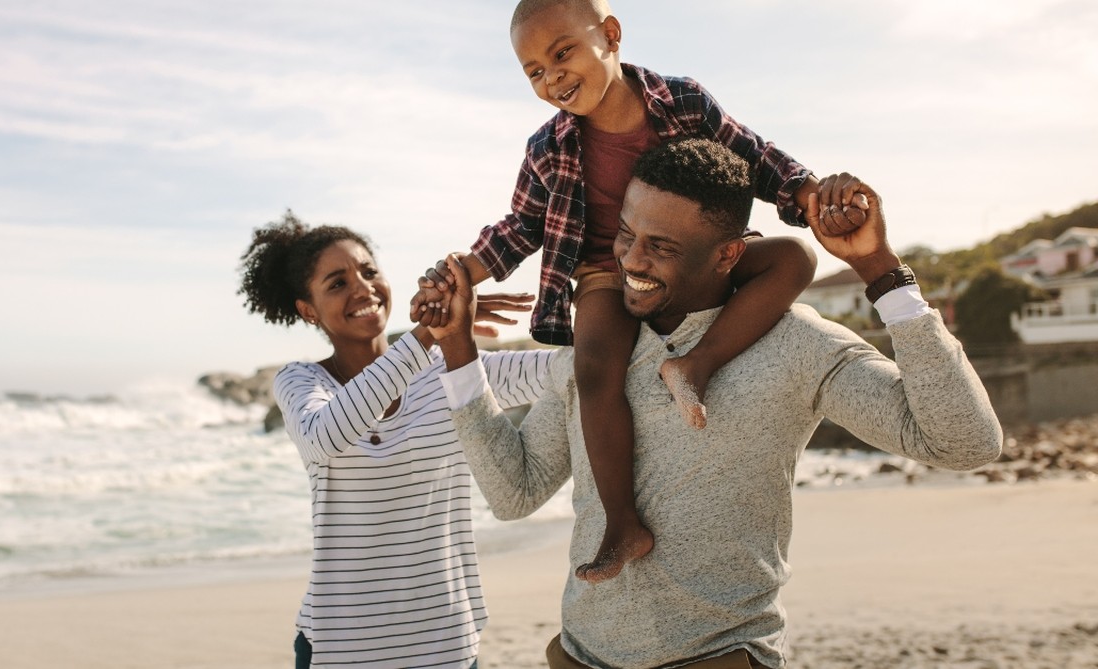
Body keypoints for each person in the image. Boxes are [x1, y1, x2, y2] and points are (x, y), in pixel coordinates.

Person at [426, 138, 1003, 669]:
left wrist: (879, 269)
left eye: (662, 247)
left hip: (721, 658)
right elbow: (514, 492)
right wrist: (458, 349)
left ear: (728, 254)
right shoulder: (597, 352)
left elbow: (965, 442)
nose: (631, 261)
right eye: (626, 235)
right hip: (582, 655)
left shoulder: (794, 343)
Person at [411, 0, 866, 583]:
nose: (551, 78)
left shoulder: (683, 102)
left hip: (696, 260)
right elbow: (522, 226)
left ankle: (695, 365)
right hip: (607, 269)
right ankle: (623, 525)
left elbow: (755, 157)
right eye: (532, 71)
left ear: (610, 34)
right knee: (595, 365)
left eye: (562, 53)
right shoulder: (547, 148)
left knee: (794, 258)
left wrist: (810, 196)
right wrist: (460, 271)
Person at [236, 214, 554, 669]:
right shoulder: (302, 381)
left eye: (369, 272)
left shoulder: (454, 368)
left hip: (446, 644)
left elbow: (566, 373)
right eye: (337, 283)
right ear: (308, 309)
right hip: (340, 647)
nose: (362, 288)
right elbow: (324, 436)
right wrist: (429, 332)